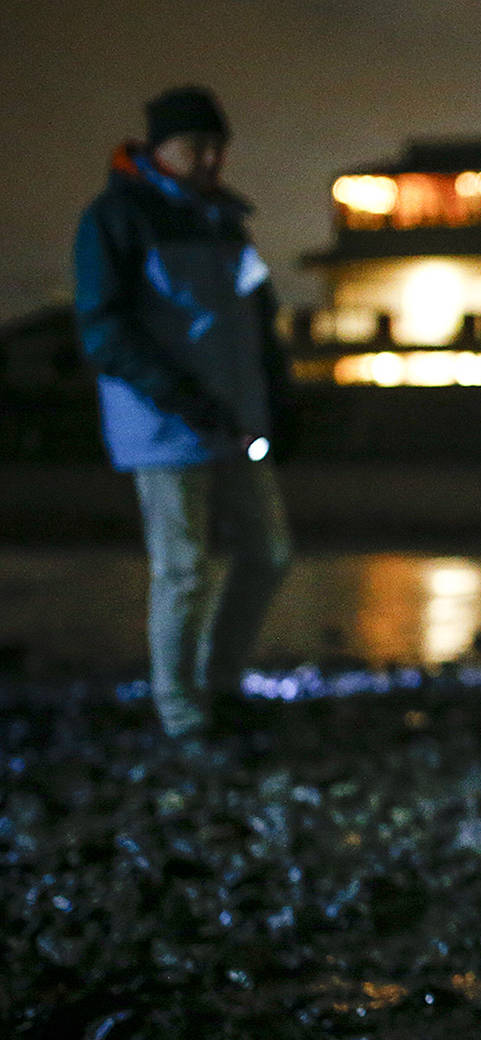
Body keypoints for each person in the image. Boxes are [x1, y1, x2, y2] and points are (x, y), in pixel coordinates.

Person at [73, 85, 293, 741]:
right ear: (158, 147)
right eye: (197, 146)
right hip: (164, 426)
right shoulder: (115, 219)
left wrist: (275, 396)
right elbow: (104, 330)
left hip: (236, 422)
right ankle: (181, 709)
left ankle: (218, 682)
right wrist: (179, 395)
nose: (211, 160)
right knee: (184, 569)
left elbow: (260, 315)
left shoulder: (227, 222)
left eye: (218, 147)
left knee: (270, 553)